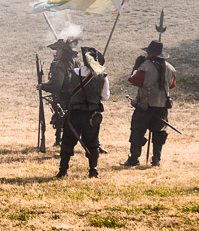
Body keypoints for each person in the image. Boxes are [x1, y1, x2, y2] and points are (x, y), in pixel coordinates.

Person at [51, 47, 108, 179]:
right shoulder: (103, 77)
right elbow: (105, 96)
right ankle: (93, 171)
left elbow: (67, 90)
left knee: (67, 141)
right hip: (92, 116)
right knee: (92, 143)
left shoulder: (74, 73)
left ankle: (63, 171)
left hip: (74, 114)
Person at [122, 41, 177, 167]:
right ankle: (156, 159)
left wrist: (136, 66)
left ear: (151, 53)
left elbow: (133, 80)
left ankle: (134, 158)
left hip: (145, 106)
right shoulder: (169, 67)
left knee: (137, 131)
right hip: (162, 106)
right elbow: (172, 85)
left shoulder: (145, 66)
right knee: (159, 134)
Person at [38, 38, 79, 148]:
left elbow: (56, 85)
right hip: (74, 97)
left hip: (64, 96)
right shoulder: (74, 63)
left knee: (61, 119)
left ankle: (62, 142)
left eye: (58, 50)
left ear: (63, 51)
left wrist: (42, 86)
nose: (56, 52)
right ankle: (60, 141)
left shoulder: (60, 65)